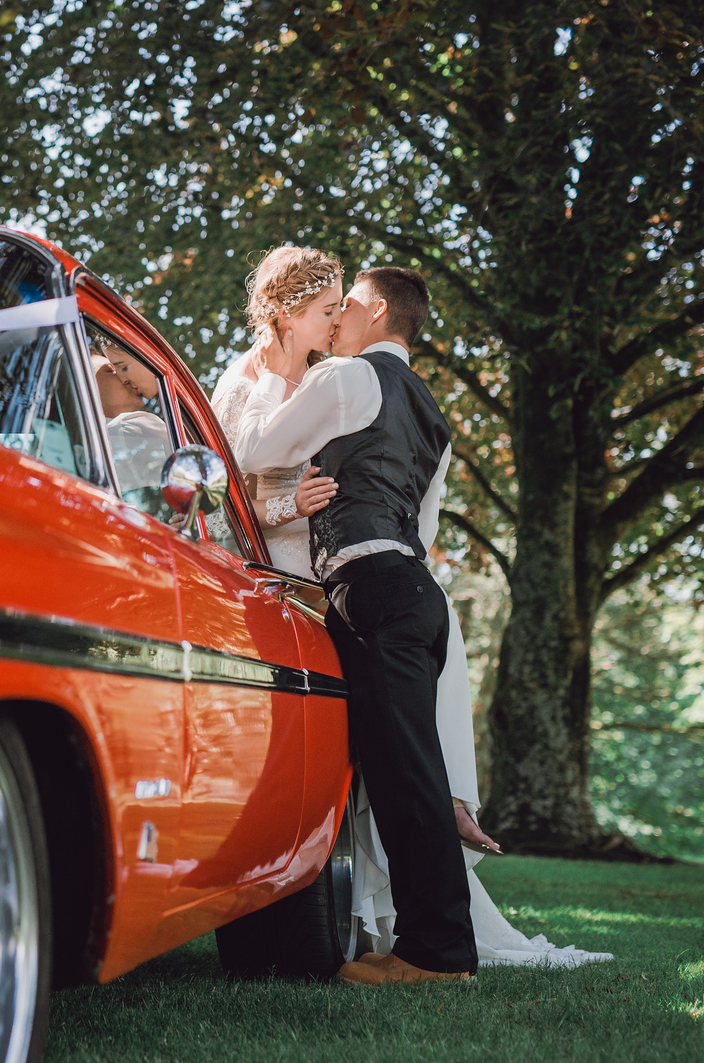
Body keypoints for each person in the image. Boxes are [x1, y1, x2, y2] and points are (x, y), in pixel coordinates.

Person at [222, 257, 612, 975]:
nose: (335, 321)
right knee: (410, 774)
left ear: (374, 314)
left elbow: (250, 449)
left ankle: (434, 957)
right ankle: (431, 948)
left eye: (346, 309)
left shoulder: (342, 377)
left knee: (404, 781)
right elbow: (424, 528)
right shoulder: (434, 414)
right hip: (414, 591)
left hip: (369, 588)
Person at [210, 246, 342, 575]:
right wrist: (292, 507)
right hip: (277, 570)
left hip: (334, 562)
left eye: (340, 306)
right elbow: (217, 510)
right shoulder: (241, 387)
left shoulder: (325, 374)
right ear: (287, 312)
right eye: (328, 311)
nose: (339, 319)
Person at [92, 354, 170, 507]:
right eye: (111, 370)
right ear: (85, 386)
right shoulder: (132, 425)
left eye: (124, 368)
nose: (125, 378)